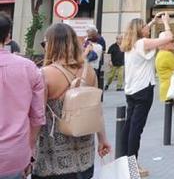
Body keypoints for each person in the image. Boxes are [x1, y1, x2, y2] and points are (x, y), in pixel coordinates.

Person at [33, 23, 112, 179]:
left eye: (45, 43)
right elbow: (97, 110)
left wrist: (29, 148)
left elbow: (38, 117)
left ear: (51, 44)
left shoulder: (44, 74)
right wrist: (103, 139)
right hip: (84, 155)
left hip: (53, 158)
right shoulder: (88, 70)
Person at [121, 13, 173, 176]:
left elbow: (144, 31)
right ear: (139, 29)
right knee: (136, 128)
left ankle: (125, 162)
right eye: (144, 26)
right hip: (143, 90)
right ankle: (132, 165)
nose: (147, 29)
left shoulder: (130, 44)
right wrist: (165, 23)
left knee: (129, 126)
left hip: (131, 90)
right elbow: (168, 37)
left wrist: (152, 22)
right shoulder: (143, 43)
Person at [0, 14, 45, 179]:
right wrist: (29, 150)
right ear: (8, 37)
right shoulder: (29, 68)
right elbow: (37, 116)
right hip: (15, 154)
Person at [155, 37, 174, 134]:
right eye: (171, 42)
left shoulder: (160, 54)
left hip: (166, 87)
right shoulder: (167, 55)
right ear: (164, 44)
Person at [85, 26, 106, 91]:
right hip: (96, 67)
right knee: (94, 85)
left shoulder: (89, 45)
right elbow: (103, 52)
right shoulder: (100, 46)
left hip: (88, 67)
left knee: (87, 87)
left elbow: (83, 56)